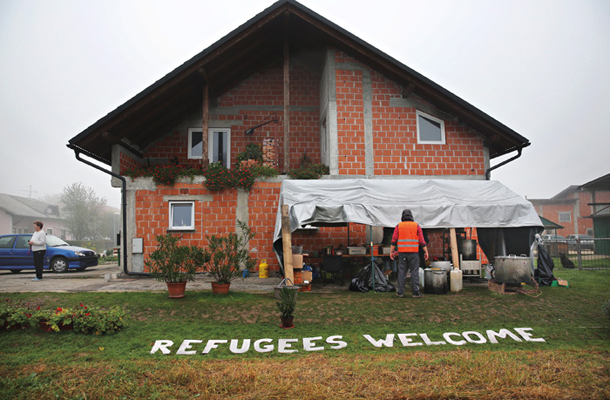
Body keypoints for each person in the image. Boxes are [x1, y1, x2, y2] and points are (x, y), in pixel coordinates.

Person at [390, 209, 428, 298]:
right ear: (411, 216)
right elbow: (422, 240)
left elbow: (393, 240)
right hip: (414, 253)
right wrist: (426, 251)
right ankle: (415, 292)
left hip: (402, 253)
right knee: (414, 272)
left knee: (402, 272)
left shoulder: (399, 226)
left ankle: (400, 292)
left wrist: (391, 252)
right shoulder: (416, 226)